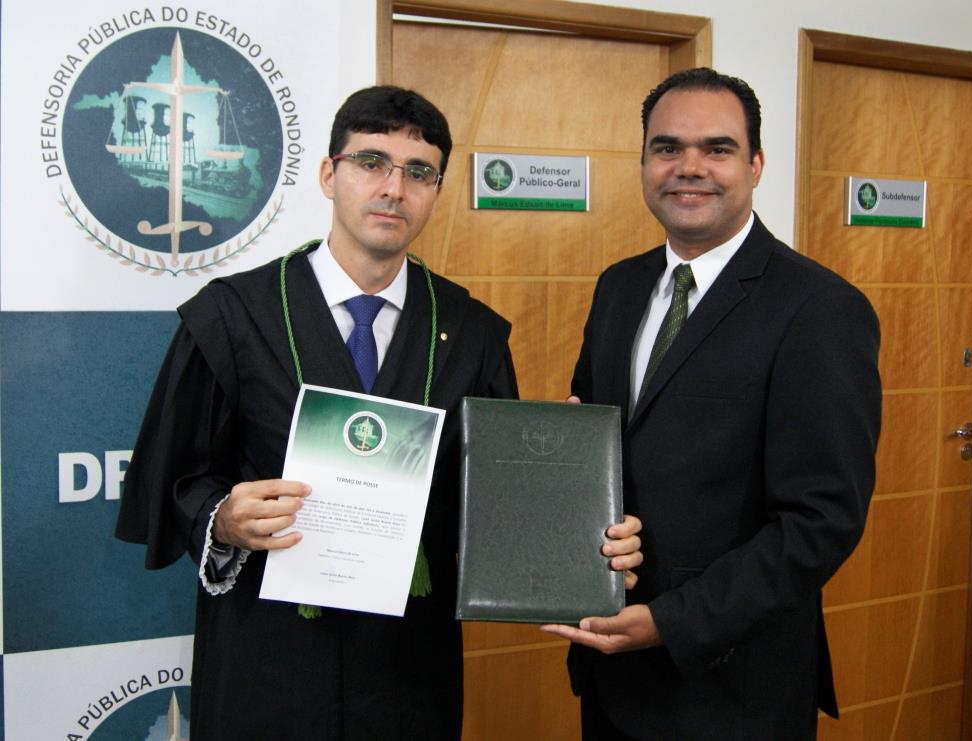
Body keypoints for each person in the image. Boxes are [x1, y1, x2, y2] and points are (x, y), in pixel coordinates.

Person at [116, 86, 642, 740]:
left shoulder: (472, 331)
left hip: (406, 670)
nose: (394, 187)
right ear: (328, 174)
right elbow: (177, 480)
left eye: (419, 172)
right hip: (267, 660)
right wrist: (223, 518)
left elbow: (493, 503)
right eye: (371, 162)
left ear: (436, 191)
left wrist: (571, 506)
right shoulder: (233, 316)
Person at [541, 68, 882, 740]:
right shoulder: (619, 287)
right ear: (644, 162)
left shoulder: (820, 309)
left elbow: (821, 520)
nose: (689, 167)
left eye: (717, 148)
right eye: (667, 147)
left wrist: (672, 622)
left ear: (755, 164)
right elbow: (598, 447)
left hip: (730, 687)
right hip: (609, 669)